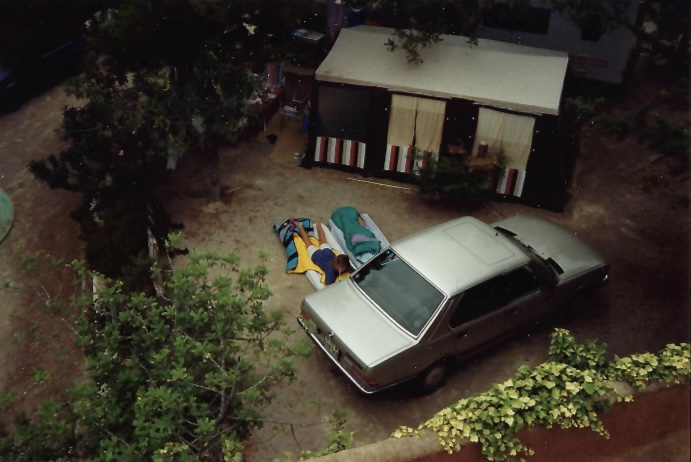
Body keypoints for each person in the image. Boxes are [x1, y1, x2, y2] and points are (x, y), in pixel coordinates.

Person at [295, 221, 352, 285]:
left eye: (342, 267)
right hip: (317, 256)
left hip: (328, 253)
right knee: (307, 242)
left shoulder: (347, 266)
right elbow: (328, 284)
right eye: (340, 267)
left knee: (322, 239)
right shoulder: (331, 272)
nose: (340, 269)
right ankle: (301, 226)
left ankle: (318, 224)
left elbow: (355, 271)